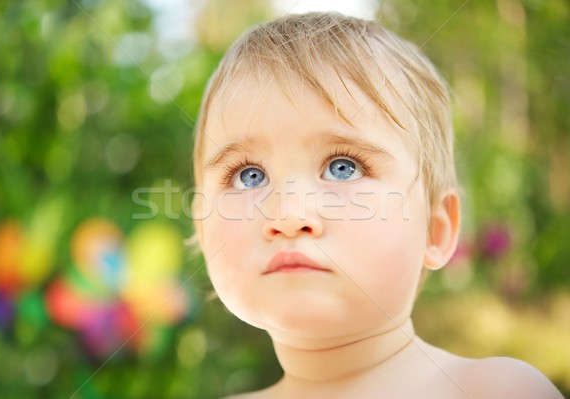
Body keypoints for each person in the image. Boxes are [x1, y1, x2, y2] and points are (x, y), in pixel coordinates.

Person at [190, 12, 563, 399]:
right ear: (202, 232)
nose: (288, 215)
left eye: (342, 167)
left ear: (436, 230)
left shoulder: (495, 391)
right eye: (248, 175)